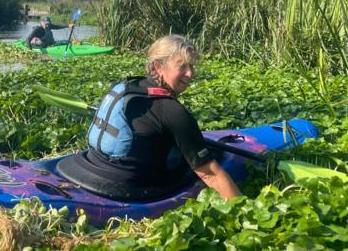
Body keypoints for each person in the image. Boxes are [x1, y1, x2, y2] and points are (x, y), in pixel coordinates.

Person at [58, 35, 241, 201]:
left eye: (191, 66)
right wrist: (245, 211)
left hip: (92, 165)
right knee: (213, 159)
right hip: (126, 184)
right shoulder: (173, 112)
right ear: (158, 66)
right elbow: (210, 174)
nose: (190, 74)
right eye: (182, 66)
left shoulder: (128, 86)